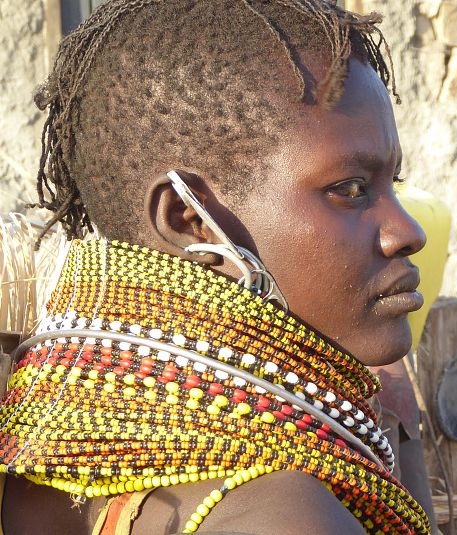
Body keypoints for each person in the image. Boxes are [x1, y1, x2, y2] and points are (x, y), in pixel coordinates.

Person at [0, 1, 434, 533]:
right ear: (190, 221)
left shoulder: (44, 463)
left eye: (394, 183)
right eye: (350, 189)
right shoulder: (285, 516)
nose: (409, 232)